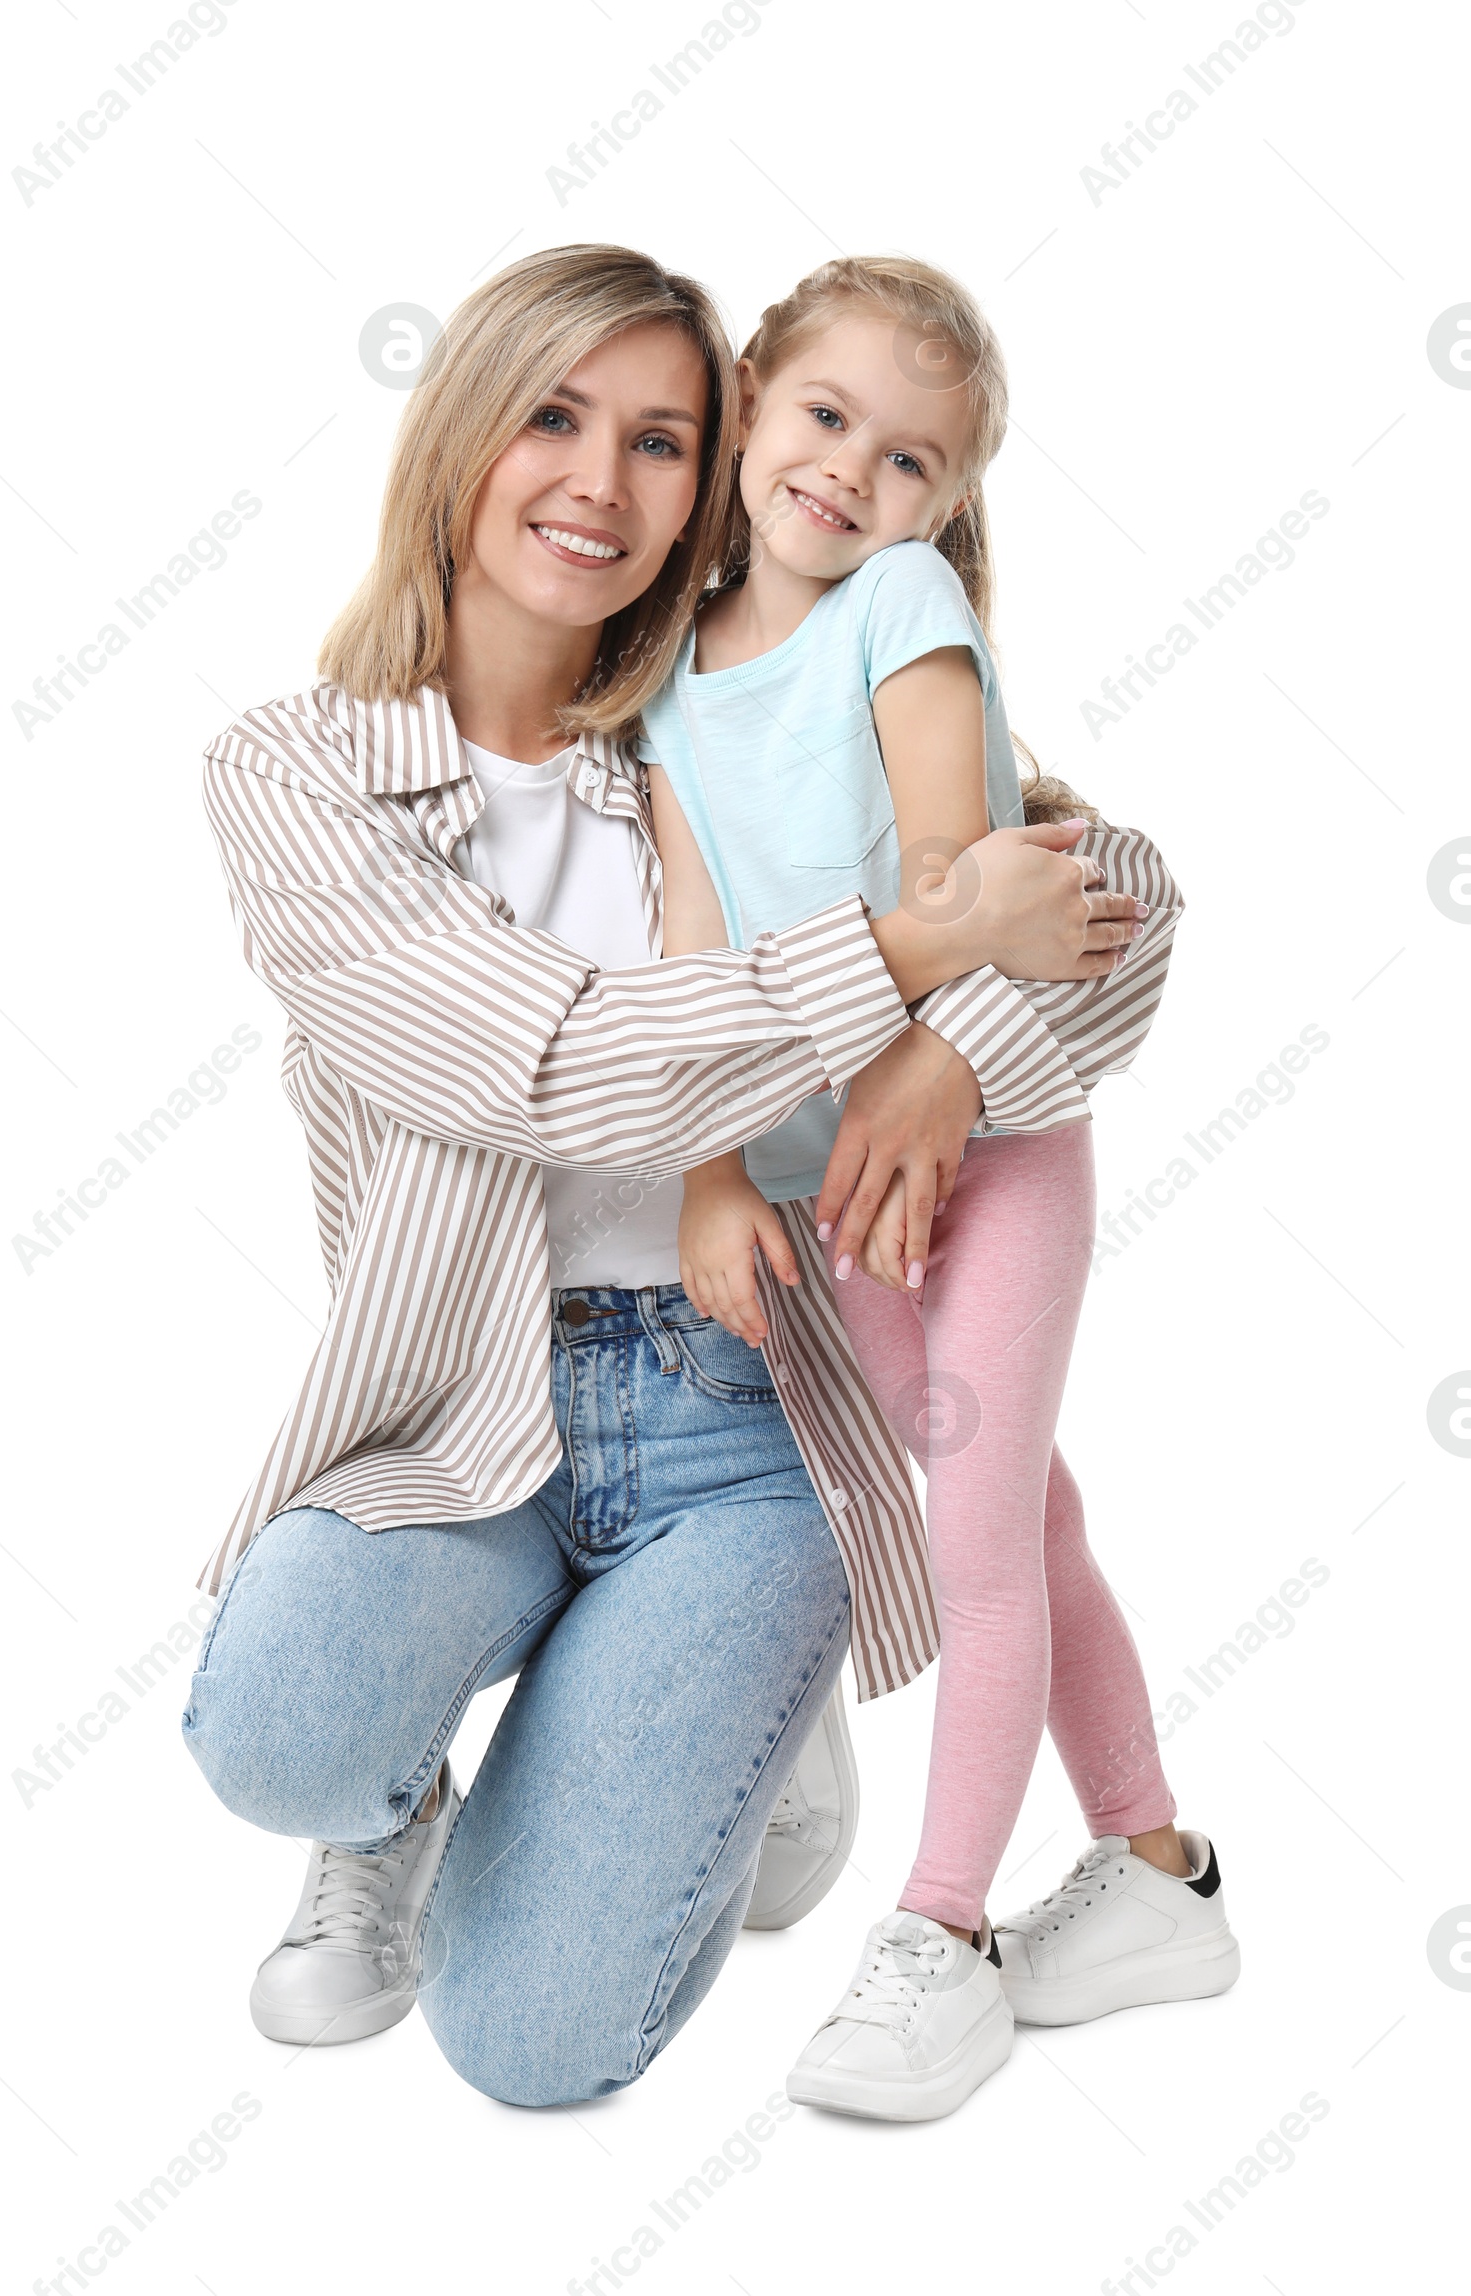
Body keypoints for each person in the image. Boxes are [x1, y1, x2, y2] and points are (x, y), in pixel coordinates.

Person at [179, 244, 1148, 2106]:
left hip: (759, 1403)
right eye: (551, 418)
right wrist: (912, 961)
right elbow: (539, 1058)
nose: (597, 484)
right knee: (286, 1734)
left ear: (712, 482)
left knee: (533, 2053)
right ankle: (403, 1802)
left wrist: (951, 1048)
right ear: (457, 438)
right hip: (473, 1402)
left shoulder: (726, 712)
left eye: (659, 440)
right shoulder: (297, 779)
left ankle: (731, 1707)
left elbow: (1123, 904)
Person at [640, 254, 1238, 2125]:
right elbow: (684, 955)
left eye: (909, 461)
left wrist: (927, 1041)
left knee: (975, 1550)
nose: (850, 475)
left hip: (984, 1151)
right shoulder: (663, 688)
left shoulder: (897, 601)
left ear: (941, 508)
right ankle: (1155, 1875)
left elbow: (951, 861)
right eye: (824, 418)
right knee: (1027, 1524)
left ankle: (942, 1930)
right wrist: (710, 1173)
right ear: (752, 396)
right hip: (836, 1203)